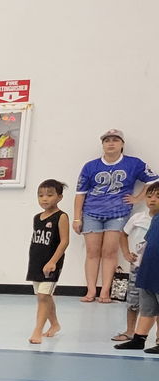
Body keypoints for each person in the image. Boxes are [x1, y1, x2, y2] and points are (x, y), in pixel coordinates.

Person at [75, 130, 157, 304]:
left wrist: (137, 198)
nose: (111, 143)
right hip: (91, 212)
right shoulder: (90, 166)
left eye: (115, 140)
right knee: (92, 252)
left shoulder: (133, 163)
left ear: (122, 144)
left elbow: (153, 181)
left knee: (110, 251)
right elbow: (80, 193)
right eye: (107, 140)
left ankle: (105, 291)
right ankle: (90, 290)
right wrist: (77, 217)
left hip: (118, 213)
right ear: (102, 144)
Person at [114, 181, 159, 350]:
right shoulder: (152, 220)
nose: (153, 200)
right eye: (150, 196)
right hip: (146, 269)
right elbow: (147, 243)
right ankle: (139, 338)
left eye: (158, 197)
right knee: (147, 306)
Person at [27, 180, 71, 346]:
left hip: (51, 263)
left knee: (43, 296)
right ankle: (54, 324)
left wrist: (53, 261)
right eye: (41, 195)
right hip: (36, 262)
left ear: (59, 197)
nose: (44, 199)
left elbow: (64, 241)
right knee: (43, 296)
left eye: (50, 195)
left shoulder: (61, 217)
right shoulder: (37, 218)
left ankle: (37, 330)